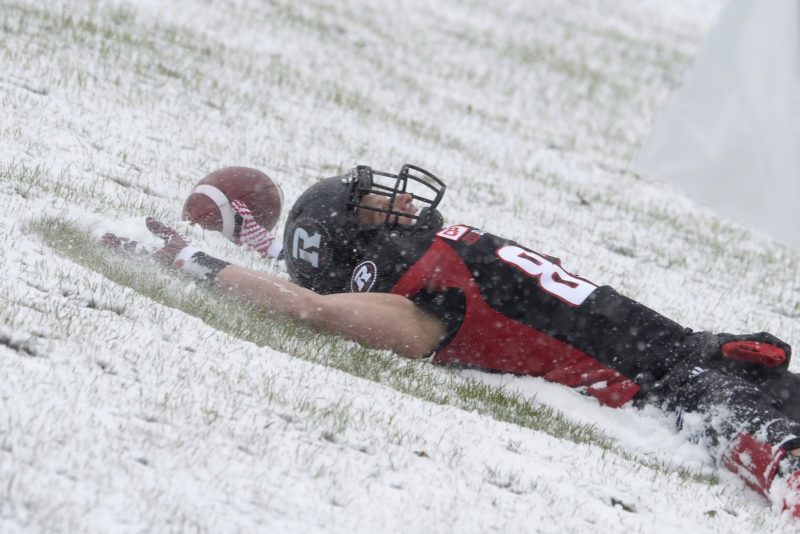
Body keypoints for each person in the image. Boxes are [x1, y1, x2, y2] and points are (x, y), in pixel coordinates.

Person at [104, 163, 800, 517]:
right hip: (683, 393)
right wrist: (190, 262)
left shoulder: (424, 256)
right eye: (374, 203)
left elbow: (309, 266)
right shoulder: (423, 297)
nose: (398, 199)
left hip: (706, 355)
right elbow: (312, 308)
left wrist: (255, 236)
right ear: (363, 244)